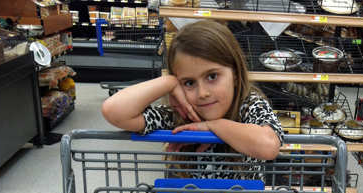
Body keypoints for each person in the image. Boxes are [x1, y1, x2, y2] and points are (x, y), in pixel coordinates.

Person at [101, 20, 284, 181]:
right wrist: (169, 82)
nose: (203, 93)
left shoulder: (249, 104)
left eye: (212, 76)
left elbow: (268, 146)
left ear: (235, 74)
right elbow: (114, 110)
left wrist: (213, 125)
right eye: (189, 82)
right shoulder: (183, 114)